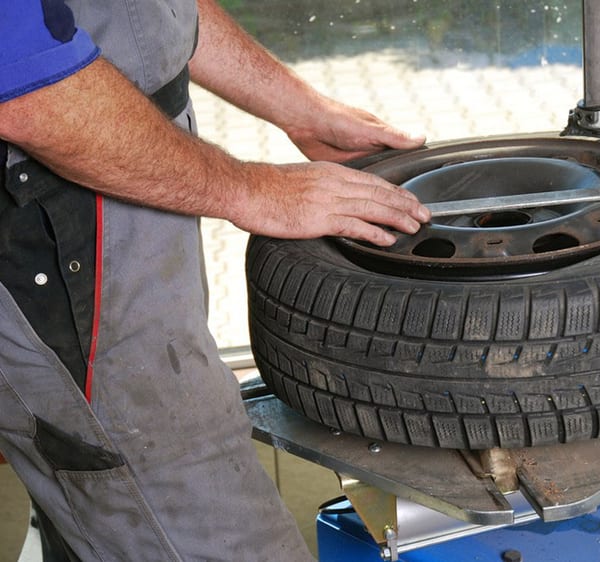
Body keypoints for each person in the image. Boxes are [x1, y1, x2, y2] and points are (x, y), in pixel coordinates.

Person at [0, 0, 430, 559]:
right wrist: (253, 190)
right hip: (52, 224)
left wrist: (301, 108)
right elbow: (30, 97)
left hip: (134, 181)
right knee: (190, 513)